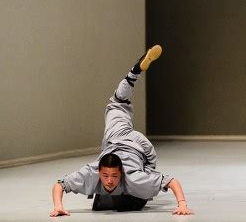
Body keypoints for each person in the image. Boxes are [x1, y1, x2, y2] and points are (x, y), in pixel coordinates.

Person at [49, 45, 193, 217]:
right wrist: (57, 206)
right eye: (105, 175)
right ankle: (135, 71)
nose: (109, 181)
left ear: (122, 173)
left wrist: (182, 204)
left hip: (141, 150)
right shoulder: (91, 172)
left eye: (114, 176)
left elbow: (171, 181)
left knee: (140, 185)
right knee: (116, 103)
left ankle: (135, 72)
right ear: (98, 171)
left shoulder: (134, 177)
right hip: (115, 138)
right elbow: (60, 184)